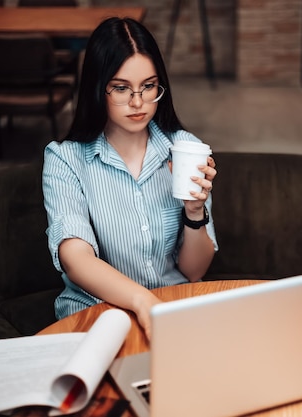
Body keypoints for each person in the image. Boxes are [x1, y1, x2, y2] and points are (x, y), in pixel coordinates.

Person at [42, 17, 218, 339]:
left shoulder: (185, 150)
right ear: (98, 88)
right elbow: (75, 259)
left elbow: (194, 272)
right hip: (97, 313)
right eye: (121, 88)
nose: (138, 103)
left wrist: (195, 213)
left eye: (148, 86)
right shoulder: (65, 160)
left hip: (172, 307)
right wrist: (142, 302)